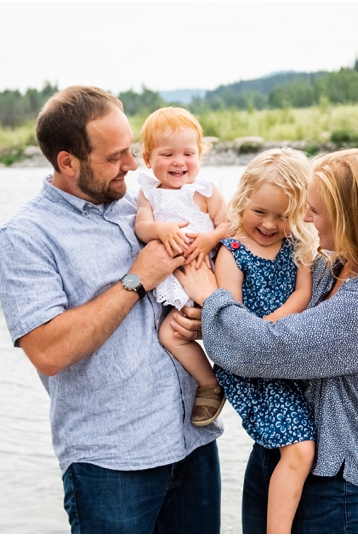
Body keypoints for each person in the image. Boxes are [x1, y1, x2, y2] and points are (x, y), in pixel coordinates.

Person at [0, 86, 222, 534]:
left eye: (131, 150)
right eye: (115, 157)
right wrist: (137, 280)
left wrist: (203, 318)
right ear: (67, 162)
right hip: (111, 465)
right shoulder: (25, 237)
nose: (133, 166)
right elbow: (49, 352)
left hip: (192, 447)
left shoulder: (142, 206)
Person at [175, 148, 358, 533]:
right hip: (277, 448)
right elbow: (265, 316)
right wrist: (214, 321)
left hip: (334, 479)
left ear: (351, 217)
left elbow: (263, 349)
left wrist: (209, 297)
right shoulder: (332, 265)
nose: (304, 219)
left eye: (314, 209)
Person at [213, 148, 319, 533]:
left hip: (286, 354)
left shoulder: (299, 247)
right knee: (300, 448)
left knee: (335, 412)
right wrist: (263, 336)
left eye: (284, 215)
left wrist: (270, 329)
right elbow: (232, 320)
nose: (271, 224)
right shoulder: (232, 251)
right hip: (251, 367)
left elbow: (302, 294)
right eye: (260, 212)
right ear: (242, 201)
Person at [134, 107, 229, 427]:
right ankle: (210, 384)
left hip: (210, 274)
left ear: (200, 154)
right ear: (147, 159)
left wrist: (208, 239)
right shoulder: (148, 194)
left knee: (224, 325)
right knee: (170, 333)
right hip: (176, 281)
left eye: (188, 153)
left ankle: (244, 372)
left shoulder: (204, 190)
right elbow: (142, 227)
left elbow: (230, 225)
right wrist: (161, 230)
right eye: (167, 154)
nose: (179, 161)